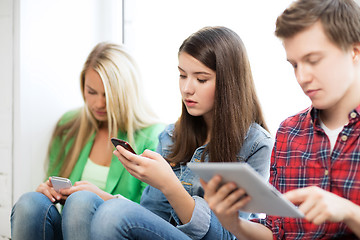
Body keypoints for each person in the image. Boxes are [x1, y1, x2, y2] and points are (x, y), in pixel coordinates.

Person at [87, 26, 273, 240]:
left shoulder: (257, 145)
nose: (186, 88)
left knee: (112, 213)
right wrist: (108, 198)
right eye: (182, 75)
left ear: (229, 83)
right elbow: (151, 219)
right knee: (82, 201)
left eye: (201, 79)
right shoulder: (171, 136)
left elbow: (228, 236)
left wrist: (169, 185)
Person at [202, 0, 360, 239]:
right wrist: (233, 223)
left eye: (314, 60)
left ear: (354, 51)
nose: (302, 76)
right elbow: (276, 232)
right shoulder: (289, 132)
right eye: (294, 64)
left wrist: (350, 212)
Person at [10, 42, 165, 240]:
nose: (99, 104)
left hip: (119, 232)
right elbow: (54, 185)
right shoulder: (70, 125)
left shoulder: (154, 137)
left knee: (81, 201)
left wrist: (100, 197)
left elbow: (153, 220)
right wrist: (47, 192)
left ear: (126, 94)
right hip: (70, 229)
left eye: (108, 95)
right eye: (91, 92)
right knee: (30, 202)